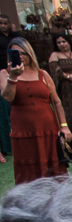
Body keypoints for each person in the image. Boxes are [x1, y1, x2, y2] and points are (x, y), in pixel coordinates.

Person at [0, 38, 70, 184]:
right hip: (23, 131)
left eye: (22, 53)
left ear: (29, 54)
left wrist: (64, 126)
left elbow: (56, 102)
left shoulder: (42, 74)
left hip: (48, 129)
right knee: (28, 168)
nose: (19, 57)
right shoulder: (4, 73)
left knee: (54, 167)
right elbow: (8, 97)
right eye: (15, 53)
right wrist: (13, 77)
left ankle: (57, 202)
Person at [0, 14, 15, 162]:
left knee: (7, 114)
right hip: (3, 73)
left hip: (9, 72)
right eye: (0, 23)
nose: (3, 26)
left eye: (5, 23)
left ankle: (7, 146)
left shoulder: (14, 37)